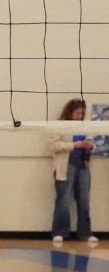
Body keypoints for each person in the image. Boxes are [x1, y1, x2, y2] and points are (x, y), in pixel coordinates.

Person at [51, 98, 95, 245]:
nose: (81, 116)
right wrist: (74, 145)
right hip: (66, 166)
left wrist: (89, 146)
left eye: (83, 113)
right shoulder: (60, 126)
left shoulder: (86, 126)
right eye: (78, 113)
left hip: (83, 165)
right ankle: (60, 232)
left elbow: (92, 142)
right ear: (70, 113)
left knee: (84, 200)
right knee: (63, 199)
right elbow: (54, 146)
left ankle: (85, 233)